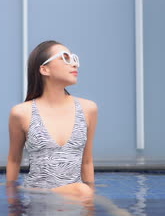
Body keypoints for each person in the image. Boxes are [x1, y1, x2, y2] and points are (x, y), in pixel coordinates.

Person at [6, 40, 97, 197]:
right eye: (65, 58)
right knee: (81, 189)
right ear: (44, 69)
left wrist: (89, 206)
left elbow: (87, 161)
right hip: (37, 198)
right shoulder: (21, 113)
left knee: (82, 190)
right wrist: (13, 208)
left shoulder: (88, 109)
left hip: (75, 200)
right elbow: (14, 160)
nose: (75, 64)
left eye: (74, 59)